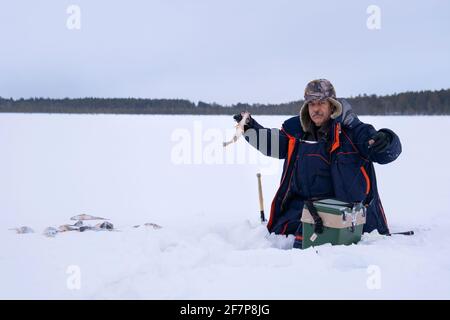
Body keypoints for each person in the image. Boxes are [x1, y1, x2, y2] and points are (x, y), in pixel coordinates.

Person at [234, 79, 402, 248]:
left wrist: (387, 140)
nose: (316, 108)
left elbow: (386, 154)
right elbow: (273, 143)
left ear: (332, 105)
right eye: (311, 104)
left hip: (346, 217)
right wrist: (249, 128)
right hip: (302, 211)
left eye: (321, 103)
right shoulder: (296, 134)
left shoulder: (354, 133)